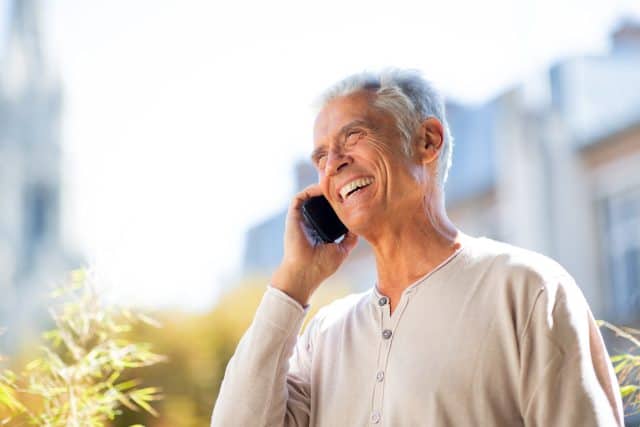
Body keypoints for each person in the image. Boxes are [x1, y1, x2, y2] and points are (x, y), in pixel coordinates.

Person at [210, 69, 624, 426]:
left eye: (353, 136)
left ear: (427, 141)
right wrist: (292, 284)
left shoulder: (527, 290)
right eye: (320, 157)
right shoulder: (323, 337)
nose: (332, 164)